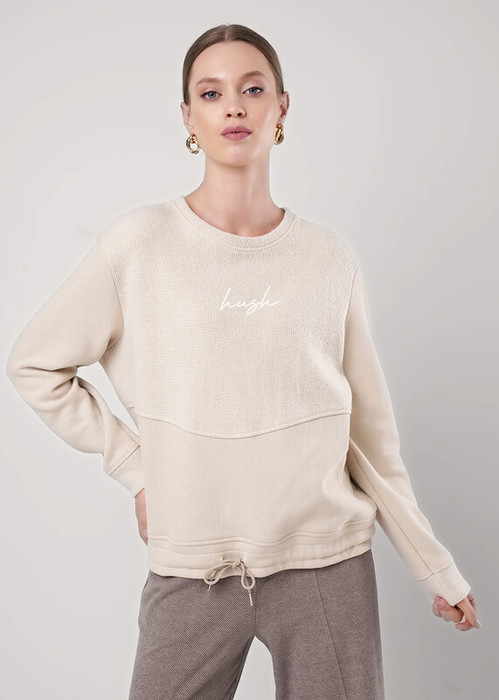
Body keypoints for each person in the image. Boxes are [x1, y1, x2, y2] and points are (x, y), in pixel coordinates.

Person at [6, 22, 480, 700]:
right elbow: (35, 364)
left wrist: (434, 567)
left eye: (252, 89)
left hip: (326, 566)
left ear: (281, 107)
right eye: (211, 93)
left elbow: (369, 436)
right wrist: (137, 469)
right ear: (188, 117)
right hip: (191, 568)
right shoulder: (138, 245)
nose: (233, 106)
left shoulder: (328, 259)